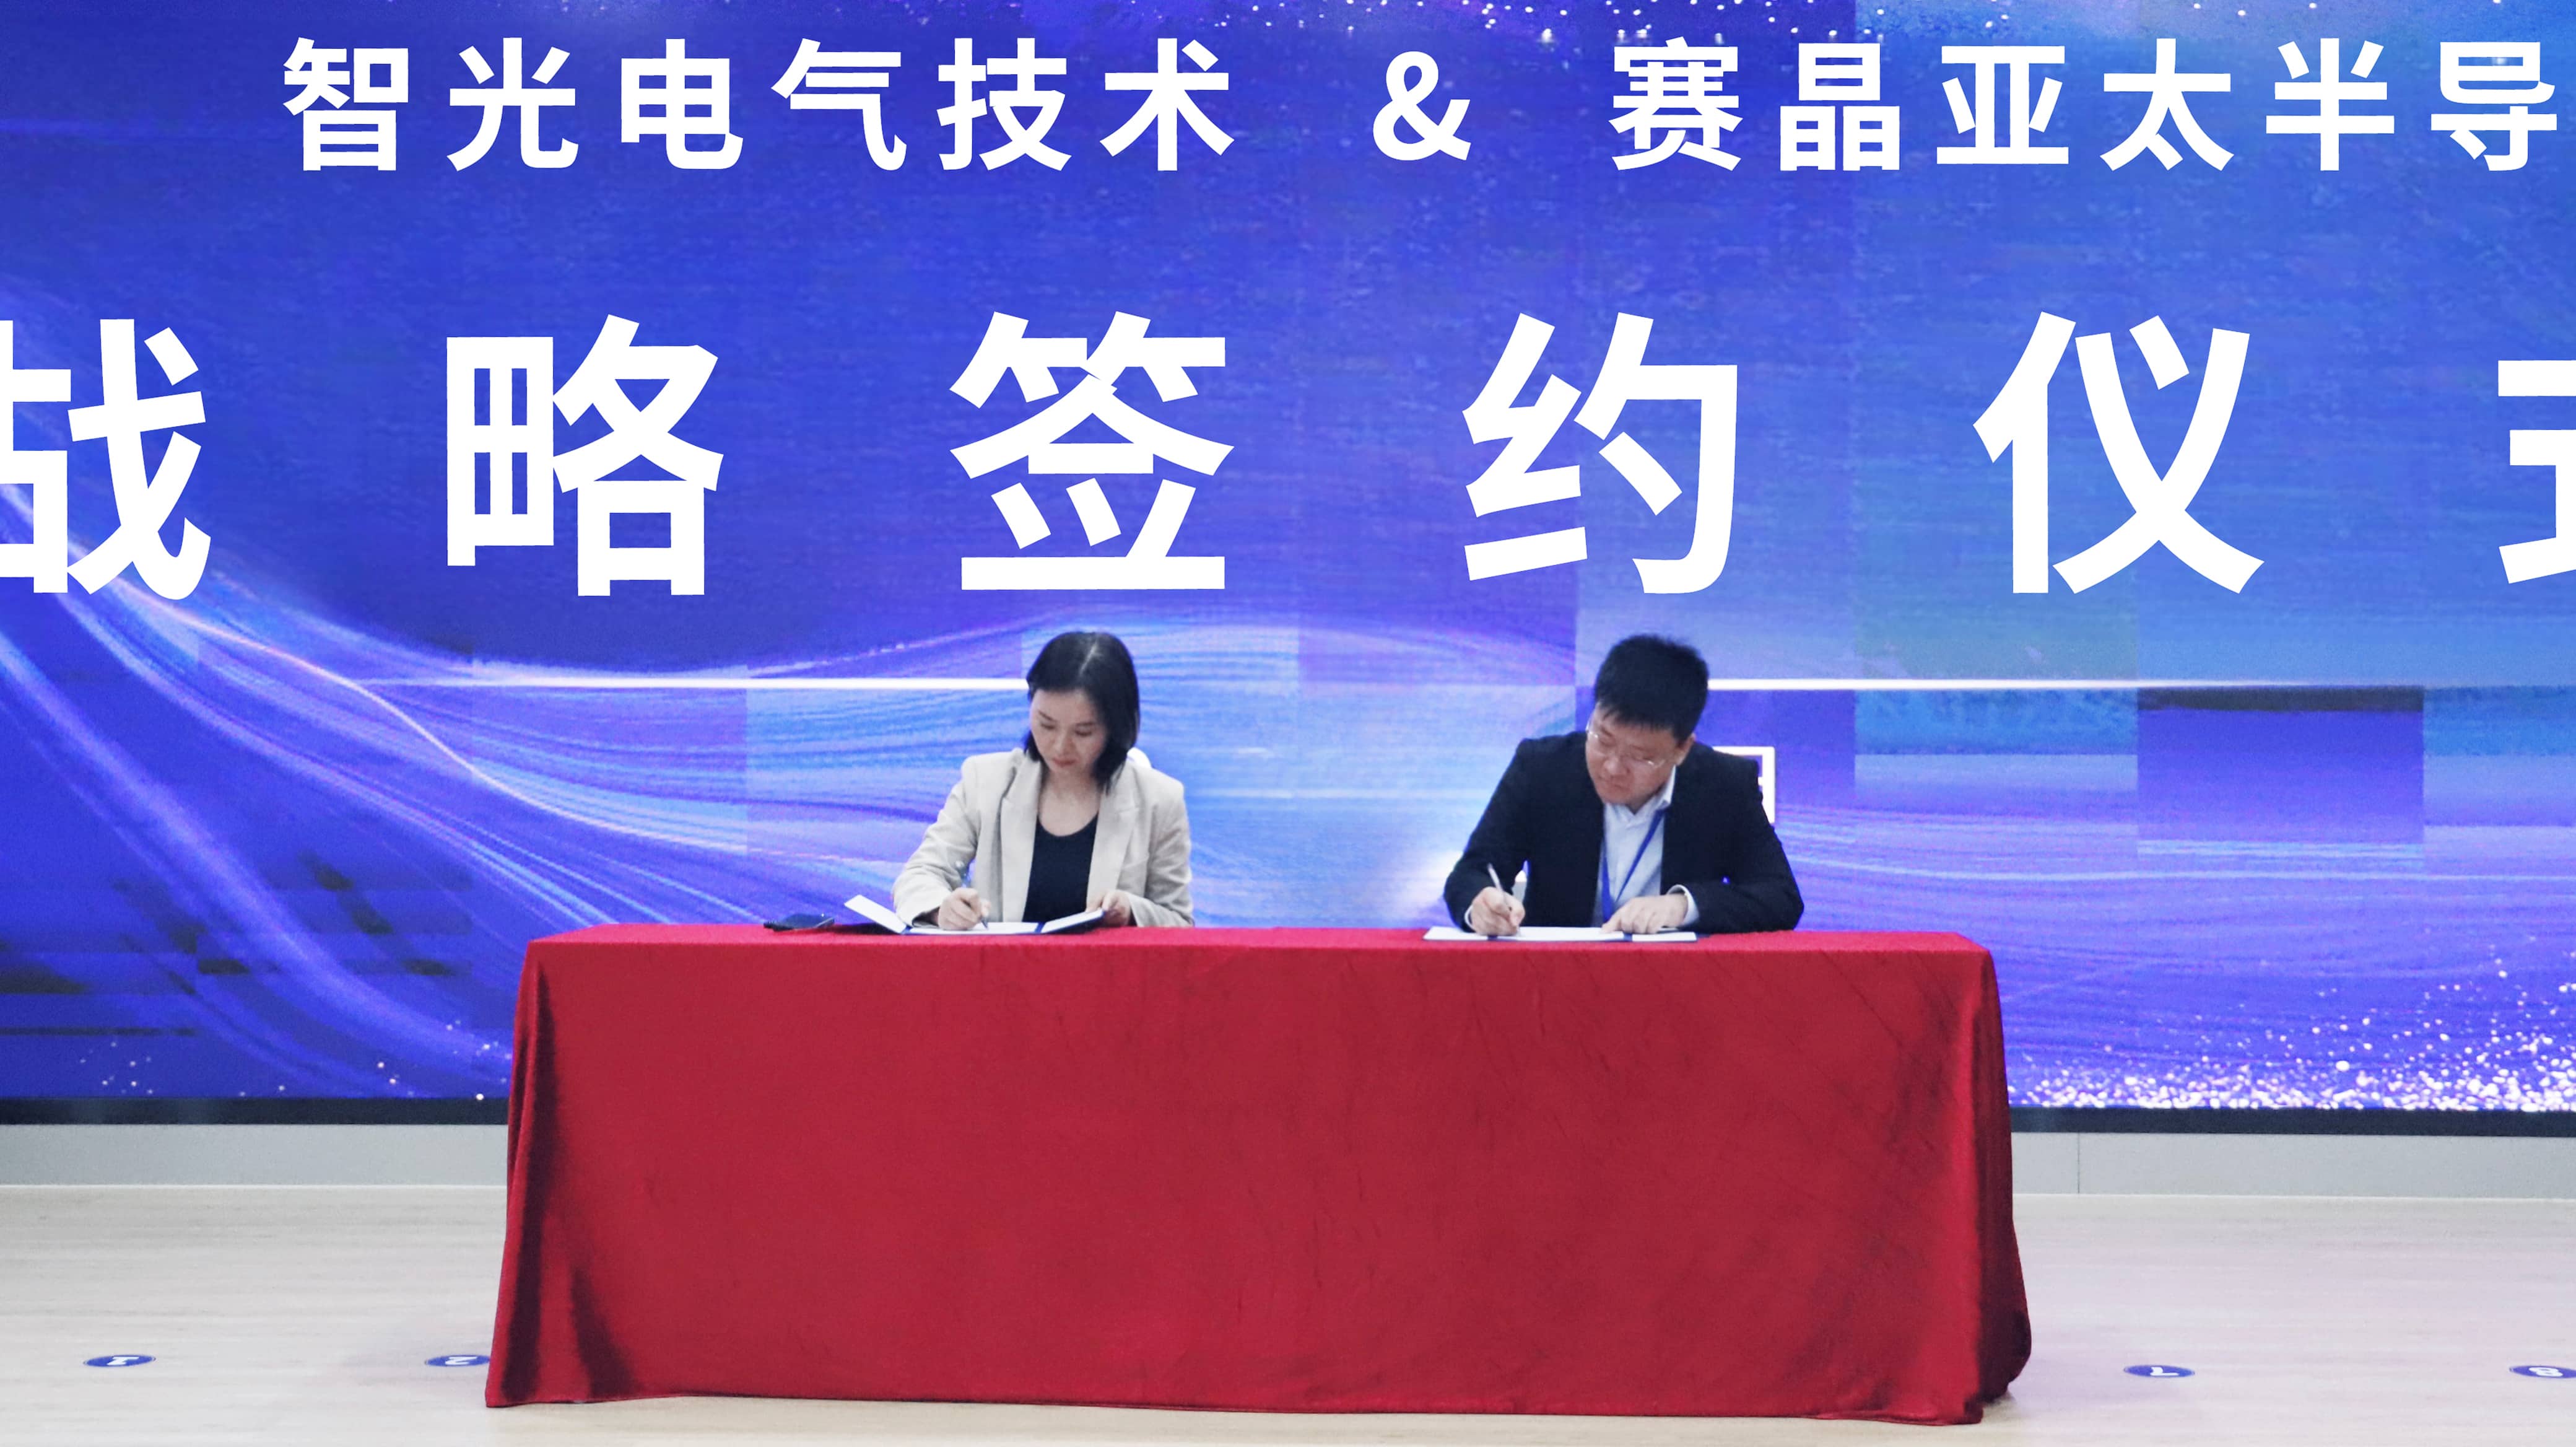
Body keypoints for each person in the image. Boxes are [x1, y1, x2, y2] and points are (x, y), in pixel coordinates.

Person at [1444, 634, 1801, 936]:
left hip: (1677, 981)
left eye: (1640, 756)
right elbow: (1473, 872)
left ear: (1681, 749)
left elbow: (1780, 897)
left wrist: (1683, 906)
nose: (1613, 767)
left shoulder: (1724, 785)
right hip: (1557, 977)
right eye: (1603, 739)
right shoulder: (1542, 768)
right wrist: (1481, 905)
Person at [892, 631, 1193, 929]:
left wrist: (1132, 911)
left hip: (1106, 964)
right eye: (1046, 725)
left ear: (1116, 727)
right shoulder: (985, 782)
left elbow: (1179, 923)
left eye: (1083, 732)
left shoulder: (1159, 800)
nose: (1061, 746)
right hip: (1000, 962)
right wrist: (941, 909)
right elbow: (920, 875)